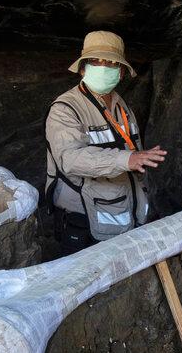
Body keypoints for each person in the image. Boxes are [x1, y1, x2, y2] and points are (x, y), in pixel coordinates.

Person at [45, 31, 167, 253]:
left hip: (123, 214)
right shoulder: (65, 108)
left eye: (111, 63)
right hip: (83, 220)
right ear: (83, 68)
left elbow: (131, 151)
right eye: (97, 61)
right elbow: (70, 159)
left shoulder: (122, 106)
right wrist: (127, 159)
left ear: (121, 73)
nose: (104, 67)